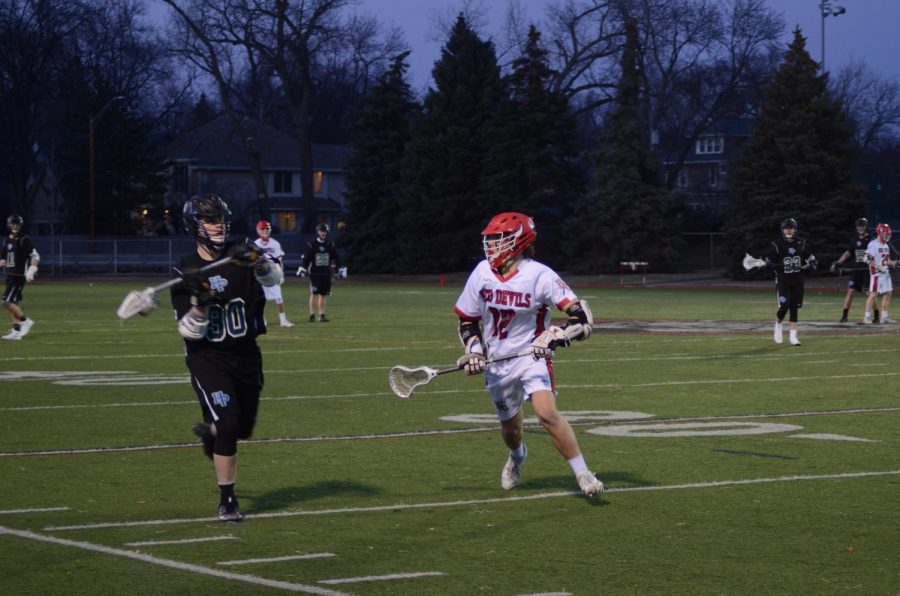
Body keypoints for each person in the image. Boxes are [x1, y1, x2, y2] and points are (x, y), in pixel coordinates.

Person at [453, 212, 604, 499]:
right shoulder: (482, 273)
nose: (492, 246)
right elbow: (467, 320)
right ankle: (517, 456)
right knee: (512, 431)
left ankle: (584, 474)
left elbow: (581, 318)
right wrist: (474, 350)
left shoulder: (540, 275)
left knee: (546, 414)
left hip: (532, 356)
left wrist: (555, 334)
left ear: (518, 241)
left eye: (499, 240)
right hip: (498, 362)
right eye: (491, 240)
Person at [172, 194, 282, 522]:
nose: (217, 226)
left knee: (241, 429)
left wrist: (259, 262)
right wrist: (200, 302)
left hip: (246, 353)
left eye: (219, 219)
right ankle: (228, 500)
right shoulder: (186, 269)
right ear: (195, 224)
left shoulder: (240, 252)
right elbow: (189, 331)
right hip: (210, 358)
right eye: (209, 220)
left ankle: (213, 437)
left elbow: (273, 280)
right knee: (229, 423)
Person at [766, 218, 816, 346]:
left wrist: (812, 263)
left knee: (794, 308)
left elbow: (810, 257)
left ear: (795, 229)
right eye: (786, 228)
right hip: (783, 281)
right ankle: (778, 323)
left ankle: (793, 336)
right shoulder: (777, 244)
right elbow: (769, 261)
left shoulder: (801, 242)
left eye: (791, 228)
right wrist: (774, 265)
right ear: (783, 229)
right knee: (784, 305)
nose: (789, 230)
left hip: (797, 280)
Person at [1, 214, 40, 340]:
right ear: (9, 225)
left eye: (17, 224)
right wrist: (2, 262)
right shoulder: (7, 240)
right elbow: (3, 257)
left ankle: (25, 321)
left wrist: (32, 269)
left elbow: (35, 256)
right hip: (10, 274)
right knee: (14, 303)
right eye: (13, 224)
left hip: (18, 275)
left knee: (6, 302)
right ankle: (16, 331)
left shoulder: (24, 239)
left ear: (20, 225)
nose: (15, 226)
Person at [296, 223, 345, 322]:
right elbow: (307, 258)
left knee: (323, 294)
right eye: (321, 231)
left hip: (326, 273)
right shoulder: (312, 244)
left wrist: (341, 267)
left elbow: (337, 257)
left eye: (325, 231)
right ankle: (312, 314)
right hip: (315, 273)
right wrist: (303, 268)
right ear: (318, 232)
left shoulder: (330, 245)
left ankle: (322, 315)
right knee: (314, 294)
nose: (323, 233)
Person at [831, 218, 872, 323]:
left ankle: (876, 315)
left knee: (870, 293)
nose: (860, 228)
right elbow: (848, 253)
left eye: (862, 226)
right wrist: (839, 262)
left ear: (866, 227)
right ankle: (844, 316)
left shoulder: (871, 240)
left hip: (867, 269)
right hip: (857, 269)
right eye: (859, 226)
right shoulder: (855, 239)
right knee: (850, 291)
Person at [253, 220, 293, 327]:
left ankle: (283, 320)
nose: (265, 231)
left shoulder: (274, 244)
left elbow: (279, 260)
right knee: (261, 299)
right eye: (263, 229)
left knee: (279, 297)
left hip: (273, 273)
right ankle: (262, 320)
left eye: (267, 229)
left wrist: (281, 275)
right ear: (258, 231)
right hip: (260, 275)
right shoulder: (255, 244)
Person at [863, 223, 898, 324]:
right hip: (877, 273)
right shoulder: (873, 244)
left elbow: (886, 260)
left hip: (885, 273)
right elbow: (866, 258)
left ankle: (884, 317)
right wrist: (878, 266)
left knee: (888, 293)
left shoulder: (886, 245)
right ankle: (867, 317)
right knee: (873, 294)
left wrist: (894, 263)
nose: (887, 236)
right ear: (880, 233)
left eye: (888, 234)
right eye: (885, 234)